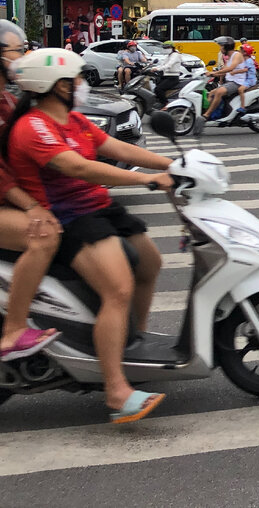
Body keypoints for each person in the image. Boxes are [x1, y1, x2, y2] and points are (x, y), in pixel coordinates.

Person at [4, 48, 174, 423]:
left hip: (97, 207)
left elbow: (113, 147)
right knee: (118, 289)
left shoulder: (74, 119)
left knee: (149, 262)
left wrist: (176, 164)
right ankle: (115, 390)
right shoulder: (33, 127)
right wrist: (149, 180)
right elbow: (80, 168)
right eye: (75, 79)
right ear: (53, 86)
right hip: (70, 217)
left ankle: (133, 347)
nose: (81, 84)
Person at [0, 22, 63, 363]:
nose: (22, 58)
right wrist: (33, 207)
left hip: (11, 198)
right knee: (44, 235)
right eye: (16, 52)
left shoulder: (9, 99)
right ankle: (13, 328)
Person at [198, 36, 245, 129]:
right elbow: (224, 69)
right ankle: (211, 114)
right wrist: (210, 73)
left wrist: (215, 73)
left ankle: (207, 115)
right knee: (211, 93)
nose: (220, 48)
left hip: (237, 82)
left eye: (221, 46)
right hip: (230, 81)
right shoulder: (230, 57)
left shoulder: (237, 55)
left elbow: (230, 68)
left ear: (226, 47)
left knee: (219, 92)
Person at [151, 41, 184, 106]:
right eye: (165, 48)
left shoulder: (175, 55)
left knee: (159, 89)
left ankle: (165, 104)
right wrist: (153, 68)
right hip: (166, 76)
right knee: (154, 88)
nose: (166, 49)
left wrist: (157, 69)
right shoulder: (169, 56)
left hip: (173, 77)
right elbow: (162, 64)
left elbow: (169, 65)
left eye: (168, 47)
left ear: (172, 48)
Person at [235, 44, 258, 112]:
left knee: (240, 90)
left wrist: (234, 72)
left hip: (250, 80)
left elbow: (245, 70)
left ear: (245, 52)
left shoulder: (249, 61)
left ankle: (243, 107)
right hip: (245, 79)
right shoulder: (244, 60)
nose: (239, 51)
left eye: (241, 50)